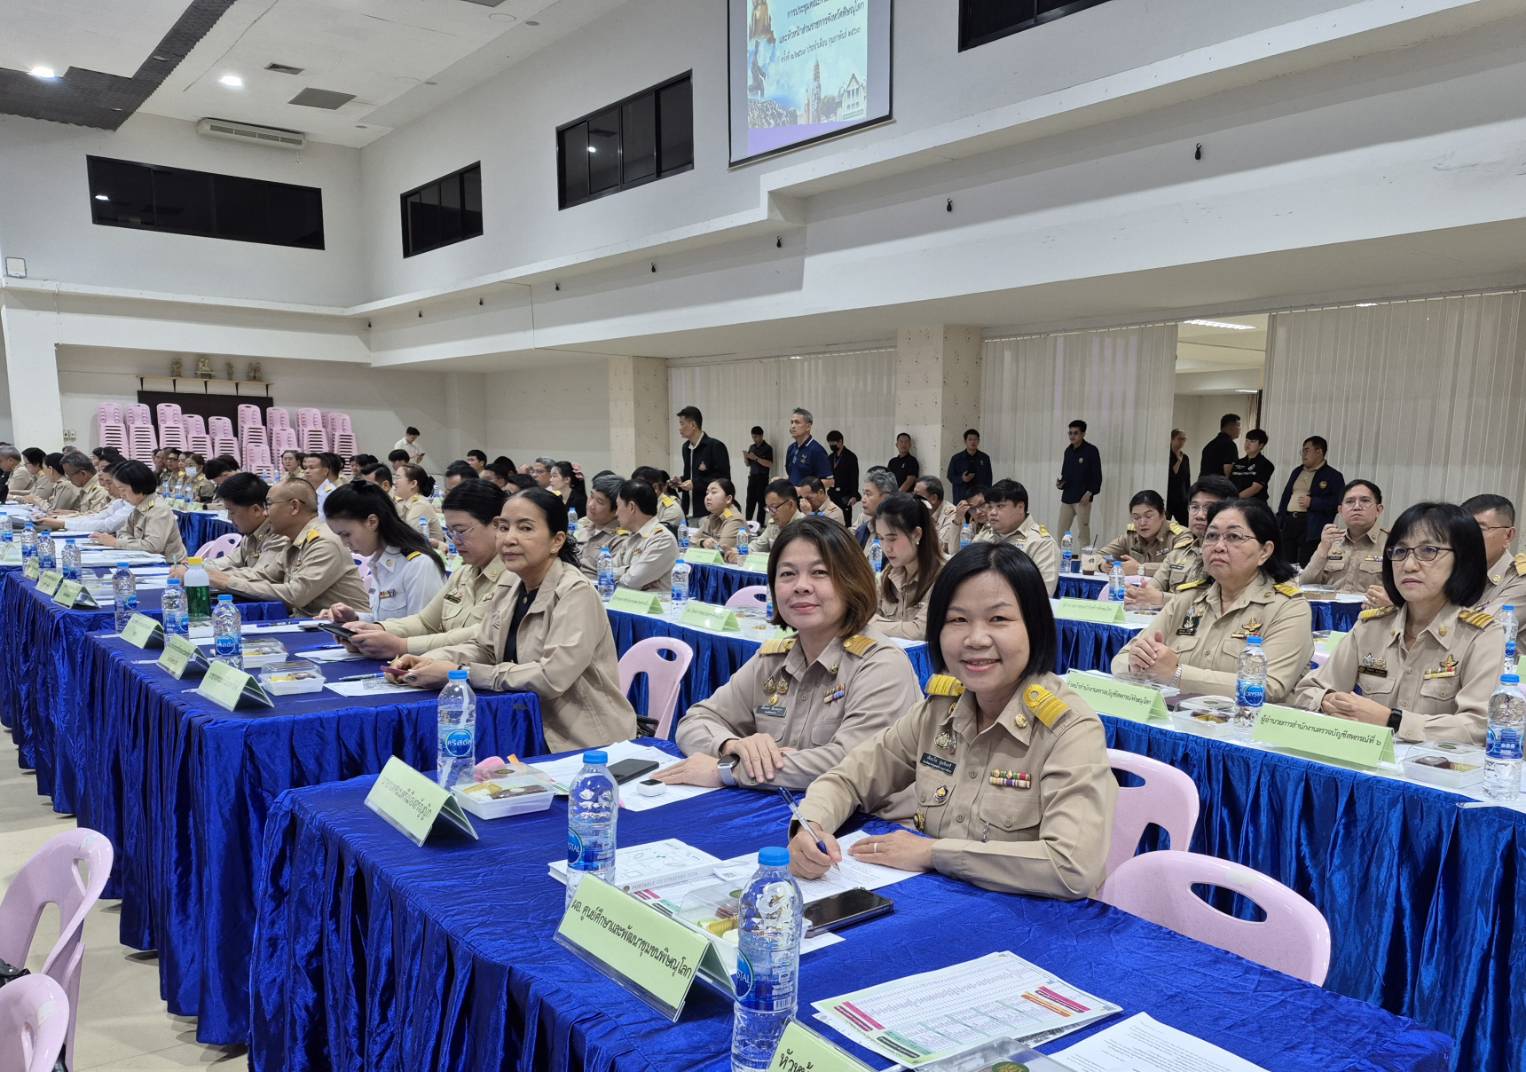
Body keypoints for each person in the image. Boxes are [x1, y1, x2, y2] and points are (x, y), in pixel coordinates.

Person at [789, 542, 1117, 898]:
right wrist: (810, 826)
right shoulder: (941, 709)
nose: (975, 639)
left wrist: (934, 854)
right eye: (957, 620)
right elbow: (849, 778)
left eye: (999, 619)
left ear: (1034, 627)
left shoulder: (1069, 729)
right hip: (942, 902)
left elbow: (1071, 867)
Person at [657, 518, 922, 792]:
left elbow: (851, 764)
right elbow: (695, 721)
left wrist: (728, 769)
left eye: (819, 572)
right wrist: (731, 745)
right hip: (781, 811)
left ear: (850, 581)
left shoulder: (881, 665)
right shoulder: (774, 659)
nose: (801, 586)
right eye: (787, 574)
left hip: (868, 825)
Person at [390, 488, 637, 752]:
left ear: (557, 541)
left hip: (580, 741)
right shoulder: (511, 582)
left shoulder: (575, 592)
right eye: (503, 527)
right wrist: (432, 660)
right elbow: (484, 648)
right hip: (521, 725)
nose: (509, 539)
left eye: (525, 528)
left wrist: (461, 673)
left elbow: (551, 677)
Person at [1292, 502, 1503, 745]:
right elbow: (1309, 688)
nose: (1409, 565)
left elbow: (1481, 726)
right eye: (1400, 552)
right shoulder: (1372, 626)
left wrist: (1393, 721)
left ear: (1463, 560)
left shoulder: (1481, 635)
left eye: (1428, 551)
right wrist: (1329, 702)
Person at [1112, 498, 1314, 701]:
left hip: (1245, 728)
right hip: (1176, 723)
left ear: (1264, 551)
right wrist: (1136, 662)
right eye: (1212, 536)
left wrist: (1177, 675)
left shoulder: (1288, 608)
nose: (1218, 546)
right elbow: (1120, 660)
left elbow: (1268, 686)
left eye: (1234, 537)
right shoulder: (1188, 599)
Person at [340, 481, 510, 658]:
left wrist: (402, 645)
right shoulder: (464, 573)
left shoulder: (514, 576)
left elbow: (482, 634)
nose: (454, 541)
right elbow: (426, 622)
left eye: (461, 531)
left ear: (497, 525)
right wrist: (376, 629)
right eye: (450, 533)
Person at [205, 478, 369, 616]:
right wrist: (211, 575)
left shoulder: (324, 542)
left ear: (294, 507)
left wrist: (227, 582)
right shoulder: (294, 540)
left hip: (349, 631)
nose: (265, 513)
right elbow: (265, 575)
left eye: (269, 505)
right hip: (311, 625)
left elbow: (295, 595)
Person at [317, 481, 445, 621]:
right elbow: (384, 620)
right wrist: (354, 618)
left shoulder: (418, 565)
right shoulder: (379, 561)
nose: (344, 543)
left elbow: (425, 631)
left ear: (372, 522)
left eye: (346, 534)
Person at [1129, 476, 1238, 611]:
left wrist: (1162, 598)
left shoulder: (1232, 556)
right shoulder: (1179, 553)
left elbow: (1214, 603)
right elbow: (1151, 588)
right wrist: (1136, 594)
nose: (1199, 515)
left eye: (1209, 508)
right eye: (1194, 507)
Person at [867, 493, 943, 641]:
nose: (886, 548)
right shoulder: (888, 575)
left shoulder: (942, 575)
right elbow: (867, 615)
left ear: (916, 534)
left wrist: (875, 624)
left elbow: (922, 630)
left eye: (892, 538)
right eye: (881, 538)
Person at [1298, 480, 1388, 595]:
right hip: (1331, 611)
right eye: (1350, 501)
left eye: (1365, 501)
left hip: (1371, 611)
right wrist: (1323, 549)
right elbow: (1305, 584)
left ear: (1378, 510)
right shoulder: (1331, 541)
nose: (1356, 507)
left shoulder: (1392, 543)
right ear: (1340, 510)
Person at [90, 461, 187, 563]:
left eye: (123, 490)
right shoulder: (138, 506)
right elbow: (123, 533)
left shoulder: (158, 509)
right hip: (144, 561)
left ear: (138, 486)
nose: (122, 495)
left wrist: (116, 543)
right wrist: (127, 542)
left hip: (169, 566)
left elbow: (153, 546)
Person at [974, 480, 1060, 595]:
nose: (992, 513)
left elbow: (1042, 596)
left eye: (1000, 506)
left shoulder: (1041, 543)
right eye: (989, 507)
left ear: (1020, 507)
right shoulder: (985, 535)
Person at [191, 473, 288, 574]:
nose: (229, 517)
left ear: (256, 510)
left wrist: (205, 572)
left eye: (232, 512)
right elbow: (230, 560)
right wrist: (195, 567)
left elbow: (259, 575)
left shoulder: (278, 534)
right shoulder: (252, 532)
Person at [1275, 436, 1345, 564]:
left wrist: (1313, 503)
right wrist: (1280, 519)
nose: (1303, 454)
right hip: (1290, 523)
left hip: (1312, 527)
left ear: (1319, 451)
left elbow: (1338, 503)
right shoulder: (1297, 471)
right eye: (1302, 451)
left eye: (1307, 450)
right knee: (1285, 563)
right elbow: (1285, 497)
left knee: (1305, 564)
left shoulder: (1333, 476)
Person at [1098, 490, 1191, 577]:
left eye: (1148, 516)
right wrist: (1102, 565)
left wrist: (1141, 569)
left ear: (1163, 515)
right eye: (1136, 517)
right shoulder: (1131, 536)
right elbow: (1095, 556)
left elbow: (1182, 566)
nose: (1142, 523)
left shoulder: (1180, 535)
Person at [611, 479, 679, 592]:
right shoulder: (632, 537)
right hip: (627, 603)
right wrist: (628, 570)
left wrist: (622, 573)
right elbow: (606, 572)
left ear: (632, 507)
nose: (616, 513)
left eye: (618, 506)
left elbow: (631, 582)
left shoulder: (662, 539)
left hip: (654, 607)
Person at [1461, 494, 1526, 611]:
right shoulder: (1455, 572)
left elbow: (1483, 628)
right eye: (1463, 530)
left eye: (1480, 529)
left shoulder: (1521, 581)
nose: (1468, 537)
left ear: (1508, 535)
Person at [38, 464, 133, 534]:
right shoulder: (120, 502)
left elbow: (107, 525)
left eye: (109, 482)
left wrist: (62, 523)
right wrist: (60, 520)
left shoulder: (131, 504)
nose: (105, 486)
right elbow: (96, 517)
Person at [676, 406, 730, 517]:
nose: (679, 428)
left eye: (682, 424)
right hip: (687, 511)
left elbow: (724, 480)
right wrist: (680, 481)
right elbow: (690, 476)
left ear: (693, 425)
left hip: (708, 512)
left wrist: (695, 484)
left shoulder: (715, 446)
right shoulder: (685, 447)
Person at [1056, 419, 1102, 547]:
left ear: (1083, 434)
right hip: (1067, 498)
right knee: (1061, 532)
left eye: (1075, 433)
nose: (1072, 436)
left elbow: (1097, 476)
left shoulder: (1091, 451)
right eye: (1070, 433)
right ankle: (1062, 560)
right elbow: (1065, 475)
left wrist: (1090, 493)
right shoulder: (1068, 451)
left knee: (1083, 533)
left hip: (1083, 499)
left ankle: (1084, 563)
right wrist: (1061, 484)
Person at [575, 473, 629, 578]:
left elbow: (608, 579)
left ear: (616, 510)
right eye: (591, 496)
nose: (591, 505)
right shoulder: (581, 525)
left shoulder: (621, 539)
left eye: (600, 502)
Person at [743, 478, 803, 558]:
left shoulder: (804, 526)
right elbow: (756, 546)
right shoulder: (773, 523)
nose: (771, 513)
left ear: (790, 504)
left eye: (774, 508)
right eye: (768, 508)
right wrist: (739, 553)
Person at [784, 407, 833, 490]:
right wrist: (782, 481)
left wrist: (803, 490)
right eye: (791, 422)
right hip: (793, 499)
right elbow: (794, 477)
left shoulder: (816, 450)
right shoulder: (791, 448)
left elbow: (829, 481)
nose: (792, 426)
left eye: (797, 422)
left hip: (809, 501)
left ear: (808, 427)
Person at [393, 463, 442, 545]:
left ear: (413, 484)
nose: (394, 482)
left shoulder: (420, 505)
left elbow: (406, 537)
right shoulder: (407, 501)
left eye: (398, 477)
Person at [915, 476, 960, 558]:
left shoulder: (952, 513)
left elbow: (942, 546)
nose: (914, 500)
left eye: (918, 497)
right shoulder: (917, 510)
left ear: (933, 498)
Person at [855, 469, 900, 548]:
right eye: (864, 494)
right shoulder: (863, 529)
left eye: (868, 494)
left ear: (886, 497)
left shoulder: (900, 530)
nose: (863, 500)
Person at [695, 478, 745, 550]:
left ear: (728, 499)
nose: (708, 497)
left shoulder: (735, 519)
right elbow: (693, 539)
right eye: (707, 493)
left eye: (714, 492)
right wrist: (703, 542)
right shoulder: (713, 516)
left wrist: (705, 544)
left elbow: (721, 550)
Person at [947, 428, 992, 504]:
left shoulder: (984, 458)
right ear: (965, 441)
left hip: (979, 497)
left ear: (978, 441)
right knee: (962, 515)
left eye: (975, 439)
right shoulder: (956, 458)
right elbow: (950, 476)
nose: (973, 442)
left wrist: (987, 495)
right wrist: (962, 479)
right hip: (961, 495)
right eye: (970, 439)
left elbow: (989, 478)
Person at [1230, 429, 1275, 503]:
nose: (1247, 444)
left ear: (1261, 445)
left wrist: (1234, 499)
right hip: (1236, 505)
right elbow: (1231, 484)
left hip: (1255, 506)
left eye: (1252, 441)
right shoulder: (1238, 463)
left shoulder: (1266, 464)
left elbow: (1255, 488)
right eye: (1247, 440)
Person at [742, 425, 773, 526]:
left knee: (761, 503)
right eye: (753, 437)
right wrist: (746, 457)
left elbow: (770, 464)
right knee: (750, 502)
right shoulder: (752, 447)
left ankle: (759, 525)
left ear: (761, 436)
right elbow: (748, 464)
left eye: (756, 437)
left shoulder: (768, 448)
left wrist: (756, 458)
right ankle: (748, 524)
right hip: (752, 478)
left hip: (762, 479)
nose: (754, 439)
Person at [825, 430, 859, 520]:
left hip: (845, 495)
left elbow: (854, 477)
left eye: (833, 443)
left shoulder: (850, 456)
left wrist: (854, 495)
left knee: (846, 520)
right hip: (832, 494)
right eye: (830, 443)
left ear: (840, 441)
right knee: (832, 519)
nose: (831, 446)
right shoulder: (830, 457)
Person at [1200, 413, 1241, 481]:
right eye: (1238, 425)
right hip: (1218, 488)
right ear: (1231, 427)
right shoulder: (1230, 445)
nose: (1240, 429)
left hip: (1203, 487)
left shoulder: (1209, 445)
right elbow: (1228, 472)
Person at [1167, 429, 1191, 526]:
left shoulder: (1185, 457)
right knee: (1163, 525)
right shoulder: (1166, 455)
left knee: (1186, 524)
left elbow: (1187, 478)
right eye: (1179, 439)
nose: (1182, 442)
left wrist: (1189, 496)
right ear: (1172, 439)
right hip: (1168, 496)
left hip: (1181, 497)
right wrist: (1178, 461)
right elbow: (1173, 474)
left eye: (1184, 439)